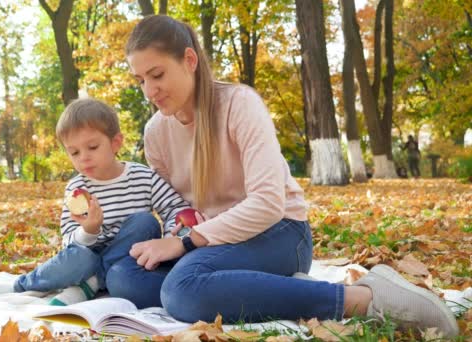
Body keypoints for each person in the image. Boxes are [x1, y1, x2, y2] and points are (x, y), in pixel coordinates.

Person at [102, 15, 459, 337]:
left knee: (181, 291)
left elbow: (268, 204)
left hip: (280, 232)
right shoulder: (155, 133)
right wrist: (175, 235)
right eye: (140, 80)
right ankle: (249, 286)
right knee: (123, 277)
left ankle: (364, 298)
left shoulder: (239, 104)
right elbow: (177, 207)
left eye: (157, 75)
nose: (149, 91)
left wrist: (187, 242)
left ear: (190, 61)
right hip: (216, 242)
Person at [0, 98, 190, 305]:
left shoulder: (142, 176)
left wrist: (173, 236)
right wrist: (89, 231)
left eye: (92, 147)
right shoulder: (77, 188)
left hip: (126, 258)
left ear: (115, 143)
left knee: (145, 222)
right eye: (74, 152)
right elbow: (69, 242)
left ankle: (93, 282)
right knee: (79, 258)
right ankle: (22, 284)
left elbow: (174, 208)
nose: (83, 157)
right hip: (88, 257)